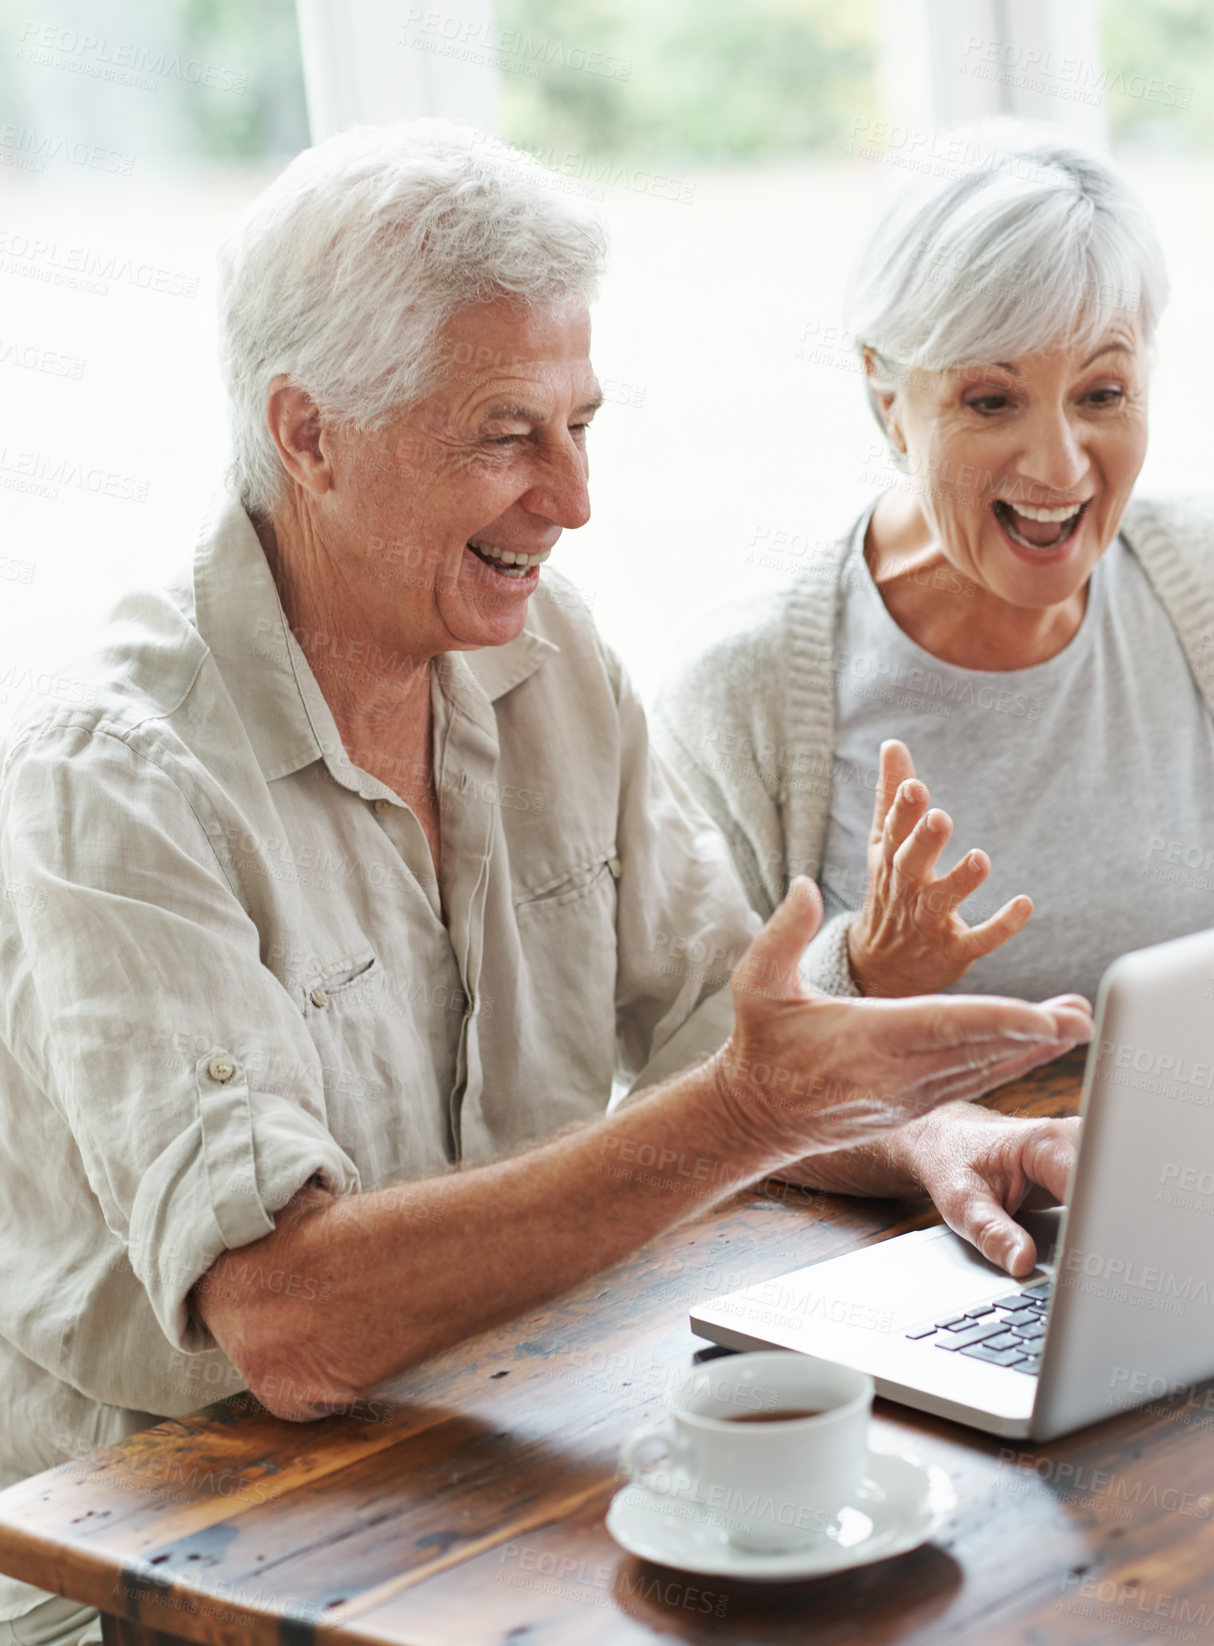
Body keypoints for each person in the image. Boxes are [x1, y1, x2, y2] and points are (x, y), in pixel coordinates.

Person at [0, 121, 1091, 1645]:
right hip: (164, 1550)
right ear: (309, 436)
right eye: (508, 434)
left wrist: (924, 1133)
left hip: (488, 1442)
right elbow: (287, 1322)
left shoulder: (544, 650)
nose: (570, 499)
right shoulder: (110, 774)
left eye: (584, 425)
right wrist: (751, 1110)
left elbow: (723, 1036)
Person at [655, 122, 1214, 1008]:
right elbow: (687, 1079)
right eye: (991, 401)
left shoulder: (1201, 580)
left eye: (1101, 394)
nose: (1060, 466)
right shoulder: (742, 693)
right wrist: (860, 973)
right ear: (887, 393)